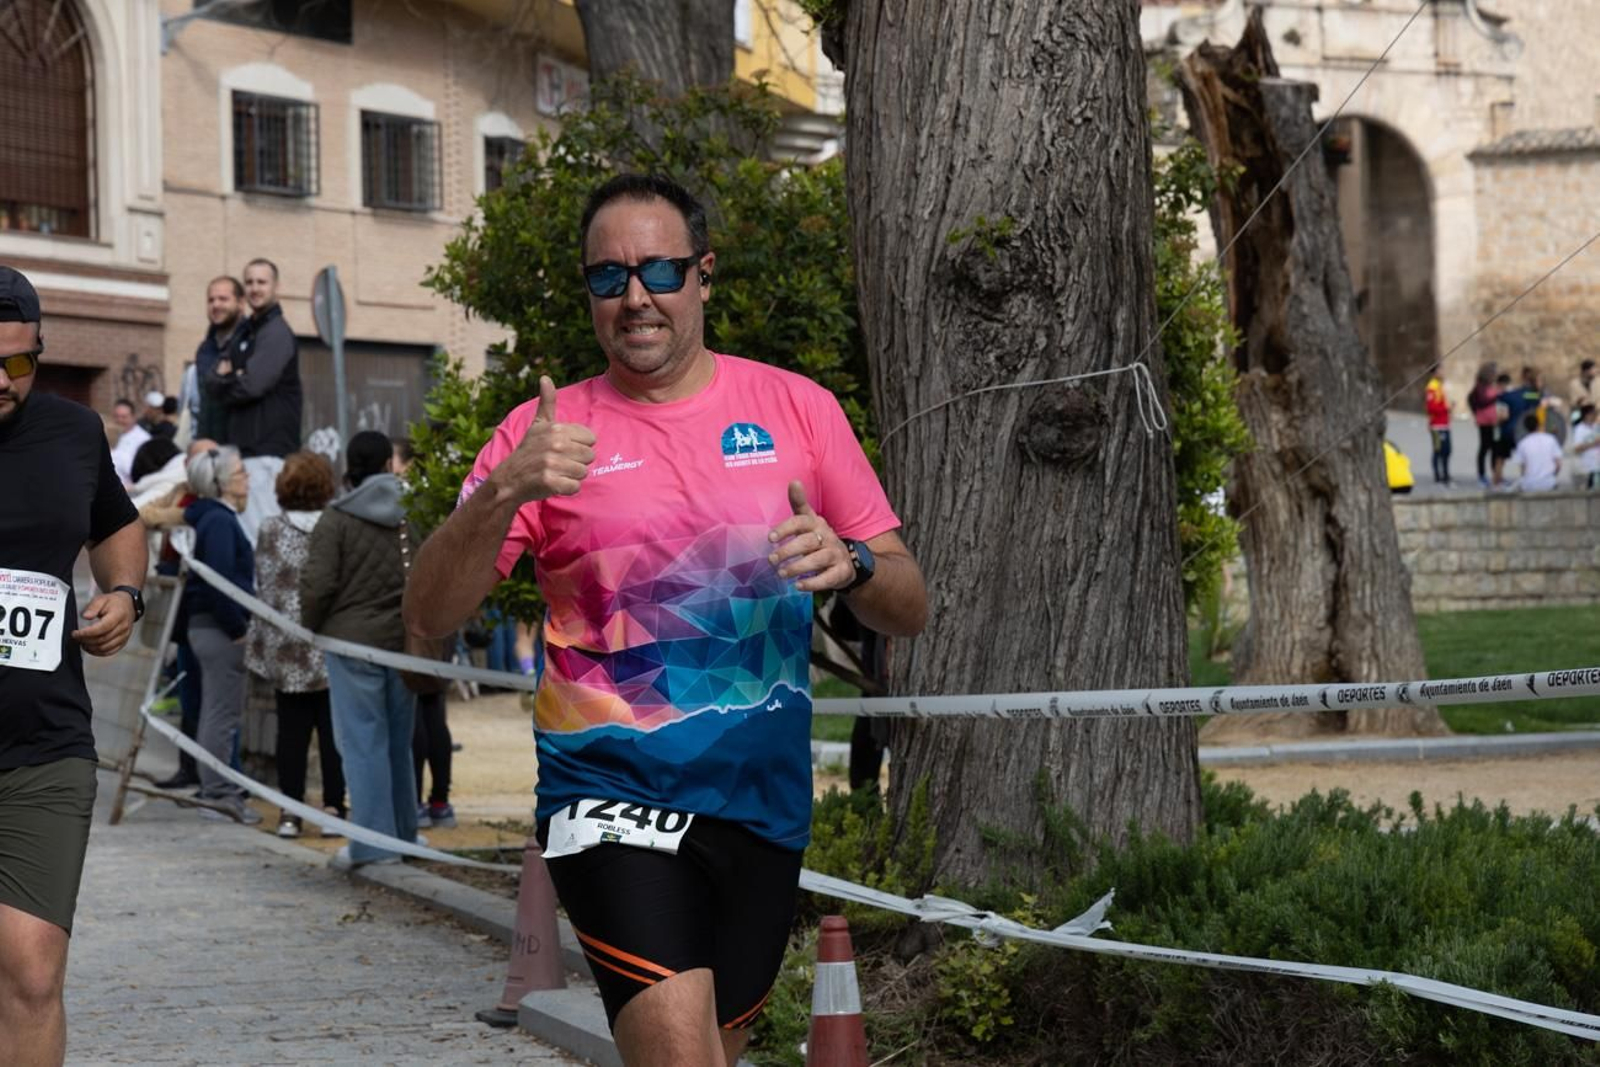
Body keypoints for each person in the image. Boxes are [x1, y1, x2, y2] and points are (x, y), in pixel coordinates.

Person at [402, 173, 928, 1065]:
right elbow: (428, 613)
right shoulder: (542, 436)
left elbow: (909, 603)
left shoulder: (796, 409)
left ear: (704, 275)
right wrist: (503, 491)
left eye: (659, 270)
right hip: (607, 798)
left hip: (761, 806)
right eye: (609, 277)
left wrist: (854, 563)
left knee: (711, 1051)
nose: (635, 296)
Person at [0, 266, 147, 1066]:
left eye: (16, 363)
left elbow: (118, 526)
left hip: (43, 742)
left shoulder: (74, 431)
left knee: (29, 971)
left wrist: (124, 592)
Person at [301, 431, 418, 869]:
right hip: (404, 642)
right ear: (389, 462)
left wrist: (311, 625)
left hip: (351, 642)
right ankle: (406, 832)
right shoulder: (413, 512)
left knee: (362, 742)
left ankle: (372, 844)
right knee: (398, 743)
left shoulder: (337, 518)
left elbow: (318, 584)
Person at [246, 452, 346, 839]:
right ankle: (334, 807)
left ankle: (290, 811)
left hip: (285, 643)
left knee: (290, 732)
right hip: (330, 639)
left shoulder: (270, 528)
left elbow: (264, 580)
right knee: (332, 731)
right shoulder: (337, 525)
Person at [178, 445, 260, 824]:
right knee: (221, 712)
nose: (248, 479)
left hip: (210, 626)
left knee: (218, 710)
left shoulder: (213, 518)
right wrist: (237, 628)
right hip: (218, 628)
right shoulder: (220, 522)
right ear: (223, 482)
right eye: (241, 472)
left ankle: (220, 792)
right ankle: (219, 795)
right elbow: (220, 582)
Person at [205, 260, 302, 544]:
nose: (255, 288)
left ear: (276, 287)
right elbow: (211, 379)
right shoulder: (246, 332)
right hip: (246, 452)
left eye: (262, 282)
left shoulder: (277, 332)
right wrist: (234, 378)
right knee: (248, 535)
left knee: (261, 538)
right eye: (249, 282)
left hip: (268, 452)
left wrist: (231, 379)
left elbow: (254, 385)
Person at [391, 439, 456, 829]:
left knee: (417, 710)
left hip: (417, 617)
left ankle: (417, 799)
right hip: (445, 616)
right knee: (435, 710)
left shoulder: (408, 509)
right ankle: (440, 799)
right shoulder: (440, 502)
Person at [186, 277, 245, 446]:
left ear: (241, 303)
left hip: (240, 448)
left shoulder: (251, 342)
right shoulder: (205, 349)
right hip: (208, 445)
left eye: (223, 299)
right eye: (211, 300)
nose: (216, 305)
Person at [1466, 363, 1499, 488]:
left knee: (1495, 448)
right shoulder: (1480, 388)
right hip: (1484, 422)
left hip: (1494, 421)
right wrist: (1477, 413)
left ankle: (1495, 473)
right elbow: (1481, 402)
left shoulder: (1491, 387)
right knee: (1484, 448)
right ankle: (1481, 474)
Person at [1511, 411, 1562, 492]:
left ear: (1525, 428)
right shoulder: (1551, 439)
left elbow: (1523, 469)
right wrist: (1552, 475)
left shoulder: (1522, 443)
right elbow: (1558, 465)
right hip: (1549, 482)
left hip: (1530, 484)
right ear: (1538, 424)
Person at [107, 398, 150, 488]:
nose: (119, 420)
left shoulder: (143, 439)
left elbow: (139, 470)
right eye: (116, 416)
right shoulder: (114, 435)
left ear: (133, 417)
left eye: (124, 417)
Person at [1423, 365, 1451, 486]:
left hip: (1444, 423)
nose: (1442, 372)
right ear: (1434, 372)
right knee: (1438, 450)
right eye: (1440, 370)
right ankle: (1438, 475)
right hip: (1436, 424)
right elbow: (1431, 407)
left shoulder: (1439, 386)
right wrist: (1446, 408)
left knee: (1447, 450)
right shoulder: (1431, 388)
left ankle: (1445, 474)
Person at [1572, 403, 1600, 490]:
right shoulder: (1579, 429)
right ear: (1587, 415)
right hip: (1588, 468)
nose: (1595, 415)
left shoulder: (1597, 427)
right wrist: (1593, 444)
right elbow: (1577, 448)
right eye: (1594, 413)